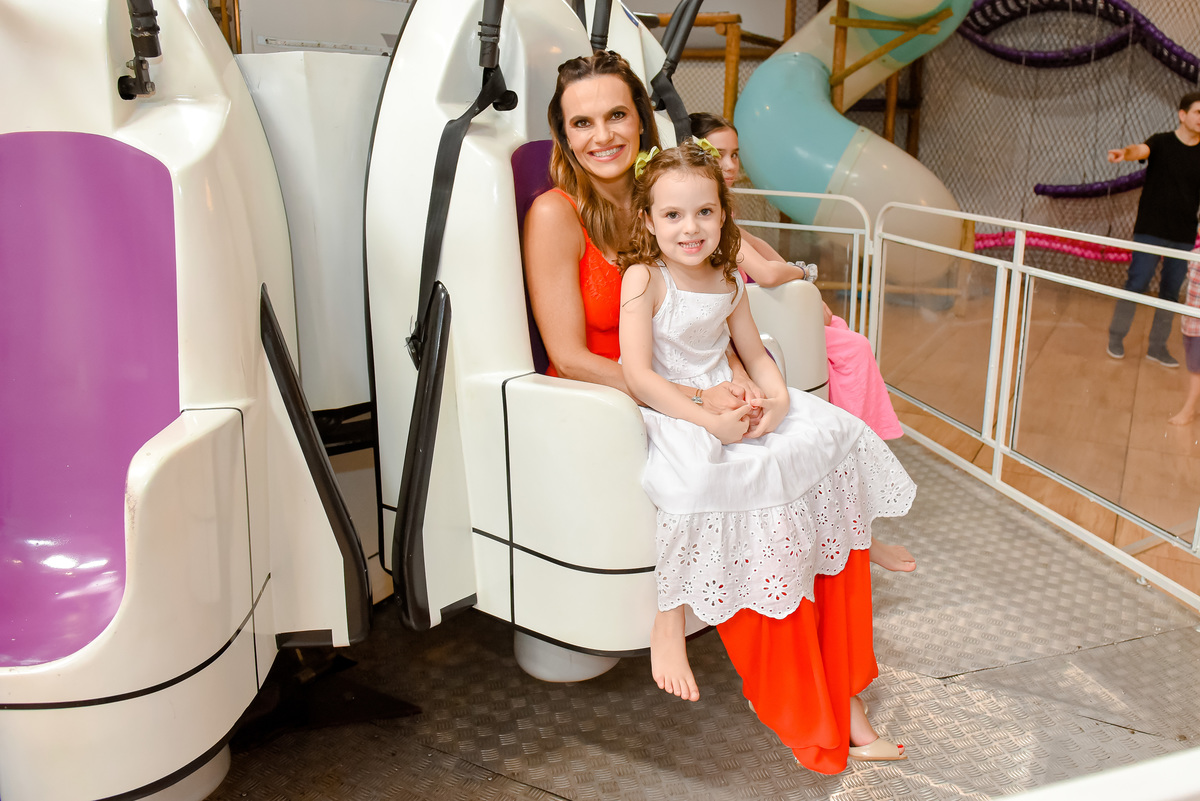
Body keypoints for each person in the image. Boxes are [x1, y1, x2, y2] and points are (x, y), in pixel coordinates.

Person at [524, 53, 914, 772]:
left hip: (695, 385)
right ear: (564, 134)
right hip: (614, 400)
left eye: (617, 115)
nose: (602, 135)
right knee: (760, 501)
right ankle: (806, 703)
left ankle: (844, 676)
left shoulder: (676, 201)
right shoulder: (558, 214)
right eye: (582, 122)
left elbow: (713, 309)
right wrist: (699, 399)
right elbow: (571, 355)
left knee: (819, 452)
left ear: (642, 120)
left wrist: (742, 382)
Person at [617, 141, 916, 771]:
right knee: (699, 482)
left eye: (704, 212)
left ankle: (849, 540)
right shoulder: (645, 278)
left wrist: (776, 402)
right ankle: (669, 619)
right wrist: (709, 418)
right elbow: (639, 375)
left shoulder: (728, 279)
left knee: (832, 432)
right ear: (648, 220)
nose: (690, 228)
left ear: (723, 214)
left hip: (732, 393)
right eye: (672, 215)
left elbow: (753, 353)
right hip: (677, 406)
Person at [689, 112, 915, 573]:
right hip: (760, 327)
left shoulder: (729, 218)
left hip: (772, 320)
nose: (730, 165)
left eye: (735, 155)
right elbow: (769, 272)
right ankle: (858, 513)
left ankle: (858, 494)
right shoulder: (710, 227)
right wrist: (804, 273)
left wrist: (808, 291)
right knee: (851, 352)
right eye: (718, 155)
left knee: (848, 342)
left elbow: (770, 258)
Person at [1105, 91, 1200, 367]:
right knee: (1137, 283)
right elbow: (1140, 150)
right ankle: (1116, 337)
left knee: (1170, 292)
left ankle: (1157, 348)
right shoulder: (1161, 142)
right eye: (1198, 112)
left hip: (1183, 235)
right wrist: (1125, 153)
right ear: (1182, 115)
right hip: (1150, 229)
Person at [1169, 249, 1200, 425]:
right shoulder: (1194, 255)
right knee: (1193, 366)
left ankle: (1189, 410)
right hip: (1190, 322)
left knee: (1196, 369)